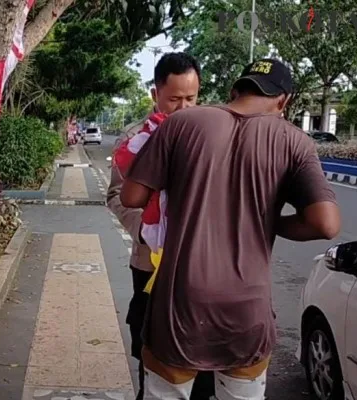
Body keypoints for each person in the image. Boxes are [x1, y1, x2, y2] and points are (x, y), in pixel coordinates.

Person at [119, 58, 341, 399]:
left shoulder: (181, 124)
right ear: (285, 101)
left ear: (235, 90)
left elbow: (131, 196)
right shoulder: (295, 142)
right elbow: (326, 224)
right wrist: (268, 220)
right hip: (246, 311)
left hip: (179, 304)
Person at [106, 52, 214, 400]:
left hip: (201, 266)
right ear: (155, 94)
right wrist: (147, 230)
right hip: (150, 263)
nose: (184, 108)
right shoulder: (137, 139)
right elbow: (116, 196)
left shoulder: (213, 133)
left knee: (201, 355)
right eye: (174, 99)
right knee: (152, 351)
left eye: (191, 98)